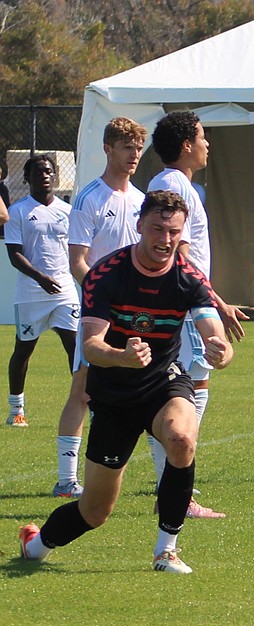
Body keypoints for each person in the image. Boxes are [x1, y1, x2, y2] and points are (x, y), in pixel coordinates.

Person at [18, 190, 234, 574]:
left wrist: (221, 349)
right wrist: (122, 356)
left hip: (163, 384)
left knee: (182, 438)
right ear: (139, 226)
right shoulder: (106, 275)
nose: (165, 240)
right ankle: (35, 544)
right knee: (95, 511)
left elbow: (211, 327)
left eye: (173, 232)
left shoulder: (188, 276)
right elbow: (90, 346)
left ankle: (166, 550)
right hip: (114, 395)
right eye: (156, 229)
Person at [147, 110, 246, 517]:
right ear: (187, 144)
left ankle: (170, 484)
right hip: (186, 304)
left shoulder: (174, 184)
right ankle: (175, 489)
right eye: (203, 137)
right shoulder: (175, 187)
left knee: (179, 391)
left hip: (187, 301)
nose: (208, 144)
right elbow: (181, 254)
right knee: (189, 391)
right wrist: (214, 302)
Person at [49, 117, 148, 499]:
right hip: (100, 313)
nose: (134, 155)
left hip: (138, 314)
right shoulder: (90, 198)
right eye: (127, 147)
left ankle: (161, 482)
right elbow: (78, 261)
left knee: (151, 391)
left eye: (138, 148)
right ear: (108, 149)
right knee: (83, 390)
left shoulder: (141, 201)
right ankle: (65, 479)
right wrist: (105, 298)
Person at [5, 155, 78, 429]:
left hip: (64, 291)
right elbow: (14, 255)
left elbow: (77, 250)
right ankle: (17, 410)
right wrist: (40, 277)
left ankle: (88, 403)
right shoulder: (19, 211)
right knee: (23, 350)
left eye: (48, 171)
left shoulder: (68, 211)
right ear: (27, 178)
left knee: (75, 347)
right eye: (37, 172)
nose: (44, 175)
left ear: (55, 177)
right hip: (31, 293)